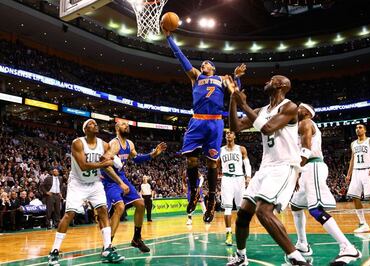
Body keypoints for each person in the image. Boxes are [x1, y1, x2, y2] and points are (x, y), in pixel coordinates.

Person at [161, 24, 244, 223]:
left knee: (212, 162)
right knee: (191, 160)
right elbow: (181, 58)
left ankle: (212, 199)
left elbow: (235, 93)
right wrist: (169, 39)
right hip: (197, 120)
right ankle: (194, 193)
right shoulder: (195, 76)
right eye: (203, 64)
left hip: (215, 122)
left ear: (212, 68)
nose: (203, 65)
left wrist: (238, 79)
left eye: (206, 63)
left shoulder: (222, 78)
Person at [226, 75, 310, 266]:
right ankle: (240, 256)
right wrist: (233, 101)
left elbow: (268, 128)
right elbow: (235, 126)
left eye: (271, 80)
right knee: (243, 214)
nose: (266, 82)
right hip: (265, 168)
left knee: (263, 211)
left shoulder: (290, 107)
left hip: (284, 166)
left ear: (280, 85)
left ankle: (296, 258)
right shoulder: (261, 110)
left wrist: (244, 105)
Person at [290, 103, 361, 265]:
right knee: (295, 206)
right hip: (307, 168)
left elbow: (306, 149)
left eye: (299, 108)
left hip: (312, 166)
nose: (296, 110)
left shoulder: (306, 122)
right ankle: (302, 245)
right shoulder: (301, 125)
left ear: (307, 112)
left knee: (315, 210)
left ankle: (348, 247)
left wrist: (296, 171)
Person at [48, 119, 125, 266]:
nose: (95, 125)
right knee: (69, 214)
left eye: (96, 124)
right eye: (91, 124)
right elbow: (83, 166)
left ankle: (107, 249)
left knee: (103, 211)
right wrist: (105, 163)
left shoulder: (103, 144)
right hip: (77, 183)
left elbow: (111, 155)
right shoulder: (77, 143)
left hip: (95, 183)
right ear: (85, 129)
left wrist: (115, 162)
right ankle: (54, 252)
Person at [102, 121, 166, 252]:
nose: (126, 126)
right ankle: (107, 246)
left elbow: (136, 159)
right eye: (123, 125)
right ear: (116, 128)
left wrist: (152, 154)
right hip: (110, 181)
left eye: (127, 125)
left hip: (122, 178)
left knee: (141, 204)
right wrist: (120, 182)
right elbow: (104, 163)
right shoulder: (114, 144)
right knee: (119, 208)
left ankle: (136, 239)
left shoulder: (130, 144)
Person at [218, 131, 251, 246]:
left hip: (239, 179)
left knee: (241, 209)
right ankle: (228, 234)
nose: (228, 135)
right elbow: (217, 164)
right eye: (226, 133)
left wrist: (248, 176)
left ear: (234, 136)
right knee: (227, 208)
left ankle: (239, 231)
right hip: (227, 178)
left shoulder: (241, 149)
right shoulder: (220, 150)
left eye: (231, 133)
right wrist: (218, 174)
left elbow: (247, 163)